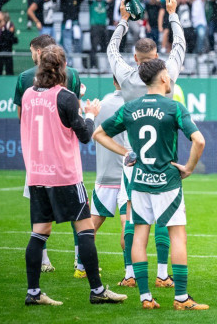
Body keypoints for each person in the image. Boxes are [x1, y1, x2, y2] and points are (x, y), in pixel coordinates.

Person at [93, 59, 208, 311]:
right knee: (178, 235)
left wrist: (125, 152)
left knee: (139, 236)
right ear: (164, 78)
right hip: (167, 182)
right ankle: (181, 299)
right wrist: (188, 168)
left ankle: (145, 298)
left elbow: (98, 134)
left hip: (139, 183)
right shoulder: (174, 107)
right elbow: (198, 141)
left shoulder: (130, 108)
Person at [20, 45, 126, 306]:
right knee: (85, 230)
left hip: (36, 174)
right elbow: (85, 135)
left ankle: (33, 293)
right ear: (62, 67)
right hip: (64, 175)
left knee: (39, 232)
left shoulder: (28, 95)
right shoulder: (66, 97)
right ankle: (97, 290)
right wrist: (90, 114)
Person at [106, 0, 185, 288]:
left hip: (134, 157)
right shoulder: (168, 75)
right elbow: (180, 45)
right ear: (156, 60)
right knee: (168, 218)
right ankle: (164, 274)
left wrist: (123, 22)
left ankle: (130, 275)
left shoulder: (127, 77)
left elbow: (112, 53)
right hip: (165, 158)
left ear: (136, 58)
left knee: (134, 219)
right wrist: (173, 14)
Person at [13, 34, 83, 273]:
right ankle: (80, 259)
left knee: (39, 213)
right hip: (63, 156)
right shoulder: (72, 75)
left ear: (39, 52)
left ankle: (42, 263)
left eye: (33, 51)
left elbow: (23, 118)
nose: (32, 56)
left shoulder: (24, 78)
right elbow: (75, 115)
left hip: (37, 158)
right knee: (78, 212)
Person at [90, 77, 132, 286]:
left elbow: (92, 131)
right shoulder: (135, 104)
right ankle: (129, 272)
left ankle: (82, 266)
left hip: (105, 173)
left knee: (90, 225)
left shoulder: (103, 104)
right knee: (127, 224)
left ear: (113, 81)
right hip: (129, 173)